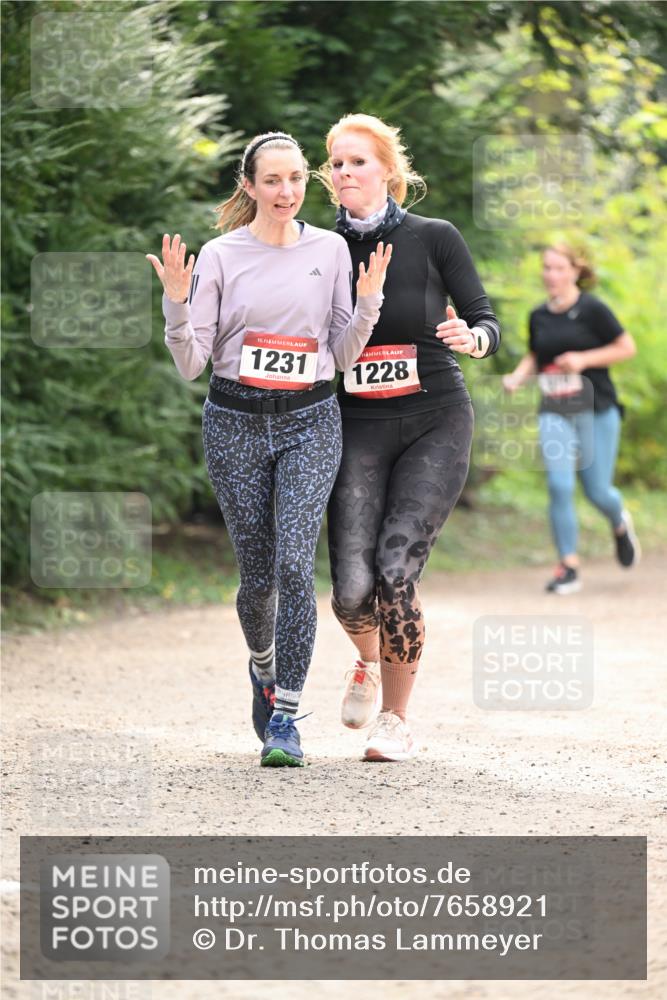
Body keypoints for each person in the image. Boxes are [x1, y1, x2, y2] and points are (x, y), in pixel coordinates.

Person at [146, 132, 391, 767]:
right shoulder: (223, 256)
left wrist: (368, 307)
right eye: (272, 181)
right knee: (257, 580)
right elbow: (192, 362)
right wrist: (176, 304)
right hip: (233, 420)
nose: (286, 192)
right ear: (249, 187)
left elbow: (340, 356)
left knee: (293, 567)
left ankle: (286, 716)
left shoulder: (331, 249)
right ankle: (263, 665)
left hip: (311, 419)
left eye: (295, 179)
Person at [318, 113, 500, 762]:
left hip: (433, 418)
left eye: (357, 162)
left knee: (396, 572)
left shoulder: (434, 237)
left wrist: (473, 339)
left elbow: (483, 318)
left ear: (387, 170)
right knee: (349, 593)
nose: (344, 173)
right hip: (357, 425)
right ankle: (366, 660)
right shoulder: (316, 248)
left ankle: (395, 719)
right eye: (335, 163)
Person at [503, 242, 639, 594]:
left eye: (559, 268)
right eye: (547, 268)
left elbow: (626, 347)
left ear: (576, 272)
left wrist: (583, 360)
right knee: (559, 485)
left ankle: (619, 520)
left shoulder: (593, 309)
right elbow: (537, 353)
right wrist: (518, 376)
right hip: (555, 408)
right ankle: (569, 566)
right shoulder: (538, 315)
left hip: (596, 407)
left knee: (597, 491)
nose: (551, 275)